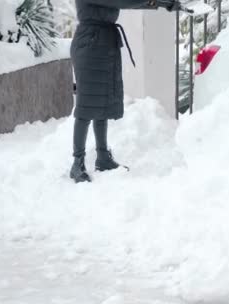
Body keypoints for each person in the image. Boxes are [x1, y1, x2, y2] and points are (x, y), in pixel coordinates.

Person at [69, 0, 176, 183]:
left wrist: (163, 4)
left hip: (103, 43)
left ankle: (102, 157)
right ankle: (77, 163)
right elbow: (122, 1)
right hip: (90, 44)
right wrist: (158, 2)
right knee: (87, 106)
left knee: (101, 103)